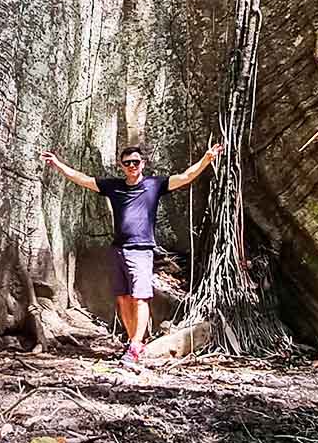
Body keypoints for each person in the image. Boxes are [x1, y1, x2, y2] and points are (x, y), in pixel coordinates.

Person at [39, 143, 224, 365]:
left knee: (140, 297)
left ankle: (136, 345)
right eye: (127, 163)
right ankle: (133, 340)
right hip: (119, 249)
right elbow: (84, 179)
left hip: (142, 250)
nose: (132, 166)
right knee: (123, 297)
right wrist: (58, 165)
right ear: (121, 166)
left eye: (135, 162)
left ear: (142, 163)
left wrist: (207, 158)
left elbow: (185, 177)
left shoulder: (154, 185)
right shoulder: (114, 186)